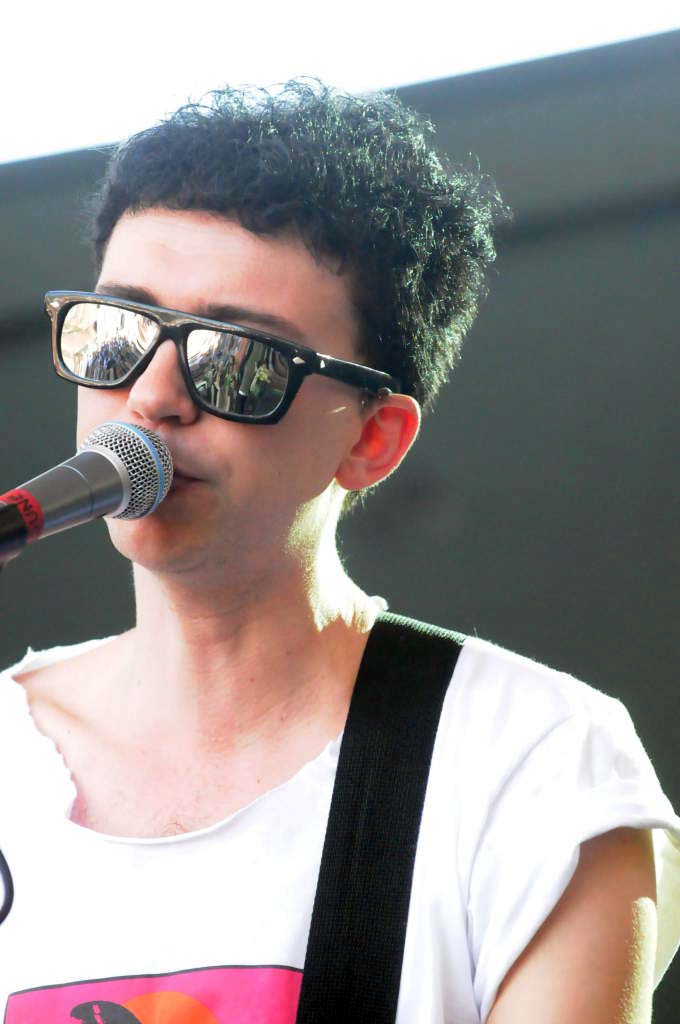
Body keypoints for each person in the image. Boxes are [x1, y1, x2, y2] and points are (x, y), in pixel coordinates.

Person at [0, 79, 678, 1024]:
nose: (151, 396)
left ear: (372, 440)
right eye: (117, 332)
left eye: (235, 359)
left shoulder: (535, 765)